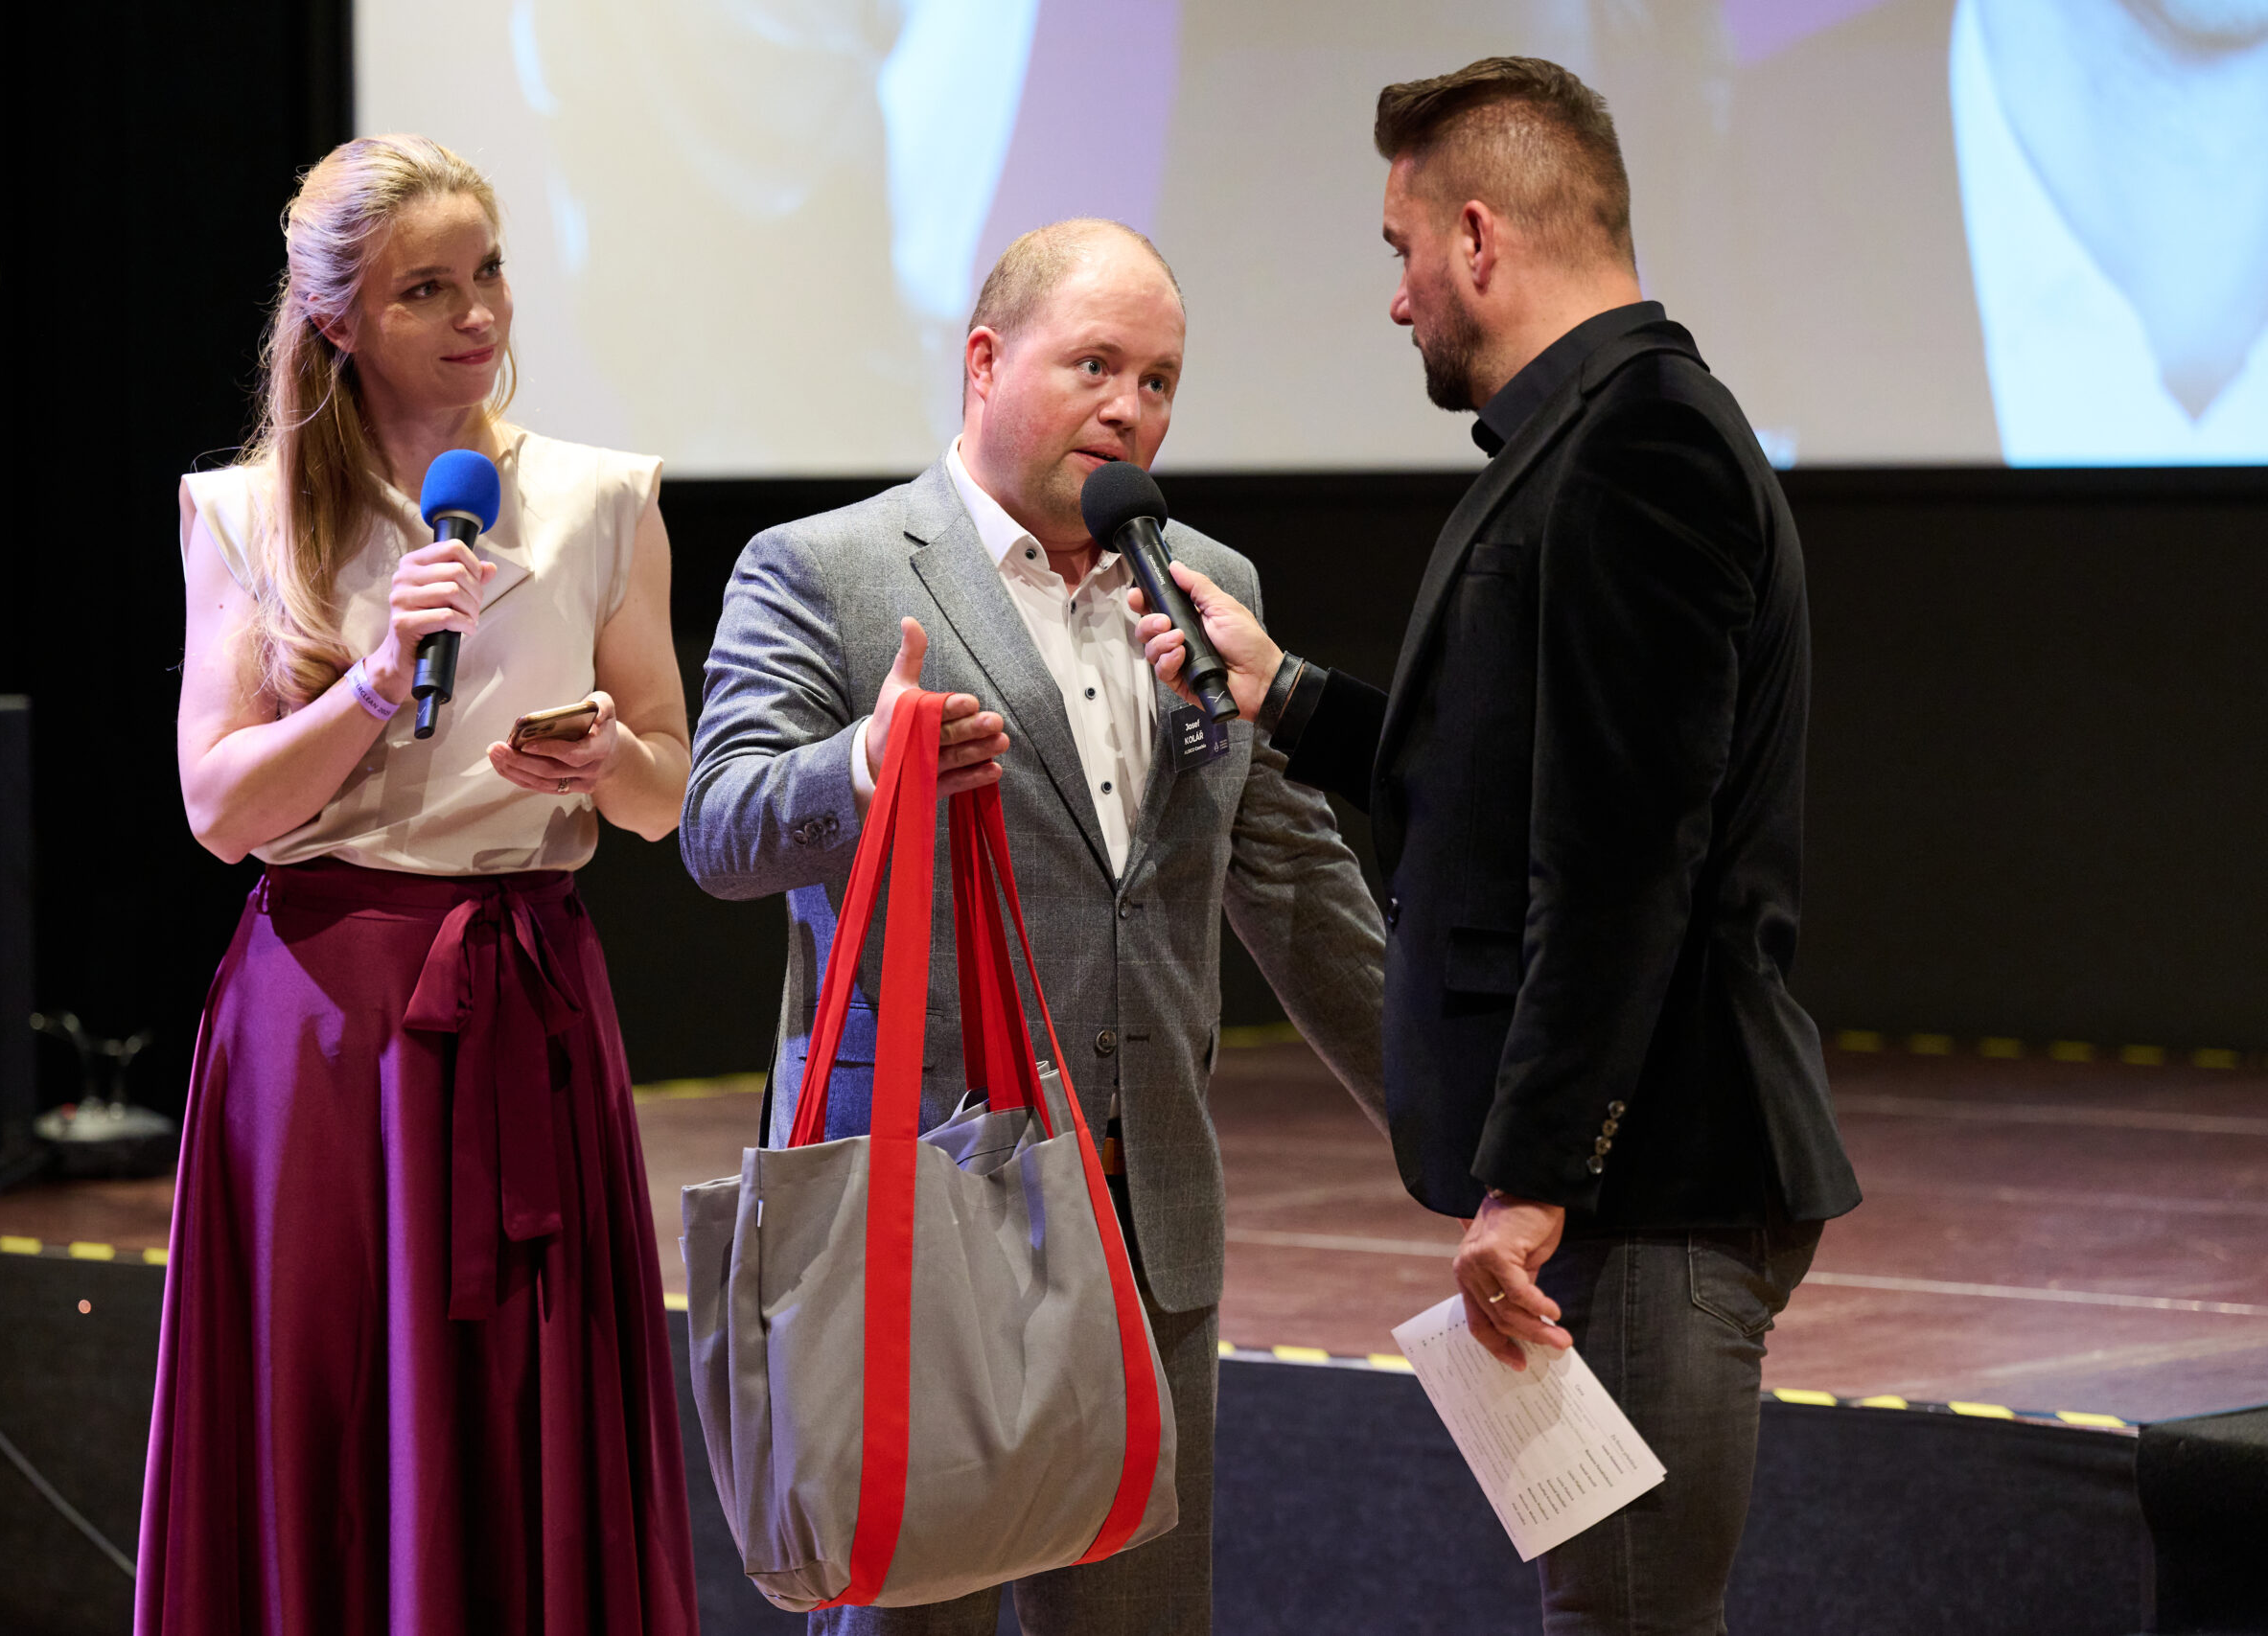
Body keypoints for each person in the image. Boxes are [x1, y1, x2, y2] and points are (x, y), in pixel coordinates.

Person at [1131, 61, 1862, 1634]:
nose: (1398, 300)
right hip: (1629, 1182)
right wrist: (1285, 694)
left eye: (1402, 251)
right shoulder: (1596, 438)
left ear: (1478, 237)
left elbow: (1623, 854)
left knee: (1624, 1618)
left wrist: (1534, 1178)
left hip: (1651, 1185)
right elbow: (1508, 781)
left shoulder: (1640, 450)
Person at [680, 219, 1387, 1635]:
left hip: (1145, 1218)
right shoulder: (826, 567)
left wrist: (1461, 1121)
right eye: (1095, 366)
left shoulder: (1206, 588)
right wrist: (862, 765)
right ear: (986, 361)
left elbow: (1293, 878)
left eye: (1160, 380)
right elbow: (720, 825)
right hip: (918, 1209)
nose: (1131, 409)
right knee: (911, 1615)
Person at [140, 134, 699, 1635]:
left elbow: (668, 792)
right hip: (325, 1019)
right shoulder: (247, 514)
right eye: (427, 290)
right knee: (326, 1401)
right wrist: (380, 674)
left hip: (524, 996)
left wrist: (605, 762)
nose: (479, 315)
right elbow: (221, 811)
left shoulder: (598, 500)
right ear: (337, 320)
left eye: (490, 273)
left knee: (522, 1403)